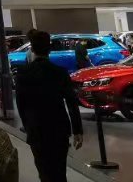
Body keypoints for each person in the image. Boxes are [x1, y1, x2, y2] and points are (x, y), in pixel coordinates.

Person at [16, 30, 83, 182]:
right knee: (59, 170)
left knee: (43, 170)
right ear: (50, 49)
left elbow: (21, 104)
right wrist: (77, 130)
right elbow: (72, 102)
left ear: (32, 49)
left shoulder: (23, 73)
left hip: (36, 128)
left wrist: (27, 126)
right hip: (58, 127)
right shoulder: (60, 72)